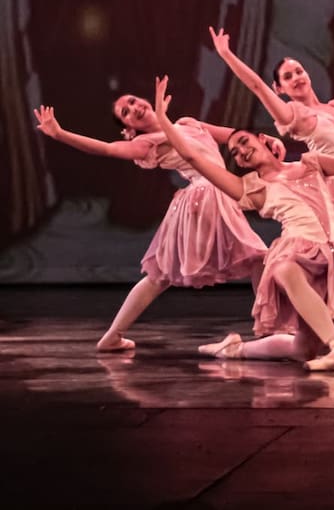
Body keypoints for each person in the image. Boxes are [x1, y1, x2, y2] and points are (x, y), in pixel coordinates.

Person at [153, 76, 334, 371]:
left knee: (303, 349)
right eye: (235, 153)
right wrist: (163, 120)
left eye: (244, 141)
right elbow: (192, 156)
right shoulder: (250, 187)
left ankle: (234, 349)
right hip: (300, 249)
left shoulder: (310, 163)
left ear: (263, 140)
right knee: (282, 268)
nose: (241, 151)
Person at [32, 96, 269, 351]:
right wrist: (60, 134)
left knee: (162, 275)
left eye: (133, 102)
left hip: (208, 196)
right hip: (206, 196)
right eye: (126, 112)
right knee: (258, 258)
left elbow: (233, 136)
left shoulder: (187, 123)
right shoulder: (146, 143)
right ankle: (268, 328)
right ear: (130, 127)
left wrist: (267, 140)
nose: (134, 108)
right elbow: (107, 149)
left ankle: (113, 336)